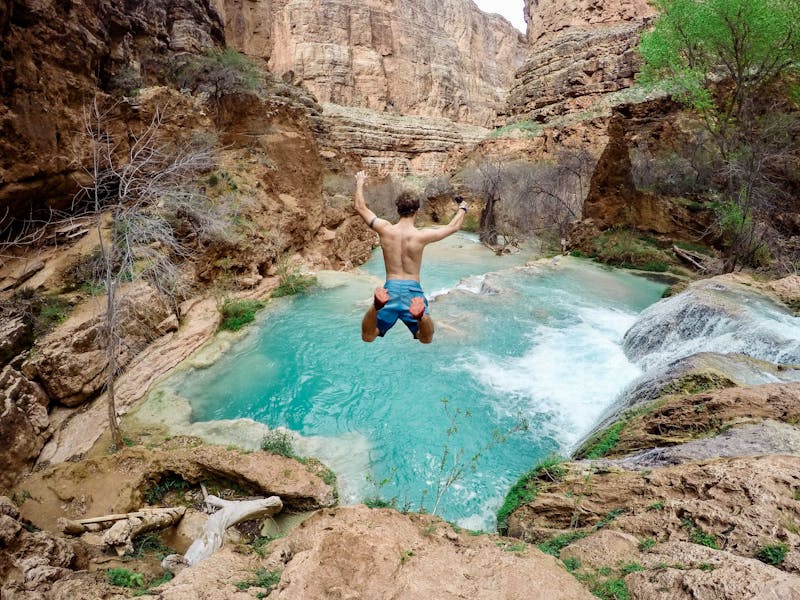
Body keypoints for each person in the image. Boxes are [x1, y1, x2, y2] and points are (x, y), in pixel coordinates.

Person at [353, 170, 468, 343]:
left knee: (368, 336)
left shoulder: (384, 229)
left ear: (398, 210)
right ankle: (420, 316)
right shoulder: (421, 236)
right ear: (417, 212)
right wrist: (463, 208)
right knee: (426, 338)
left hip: (389, 289)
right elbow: (453, 227)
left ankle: (377, 306)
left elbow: (360, 207)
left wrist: (360, 182)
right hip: (413, 291)